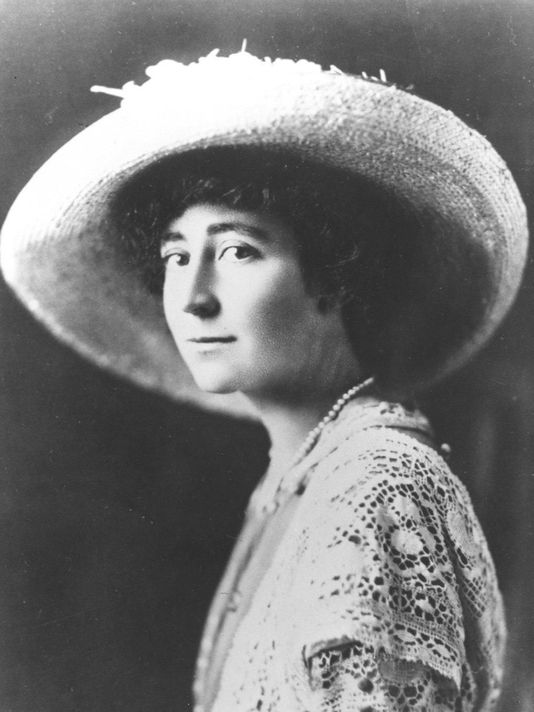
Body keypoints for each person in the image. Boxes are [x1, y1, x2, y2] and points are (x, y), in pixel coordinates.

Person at [0, 49, 528, 711]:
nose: (193, 297)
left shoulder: (378, 485)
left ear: (337, 273)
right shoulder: (294, 477)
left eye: (238, 251)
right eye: (176, 255)